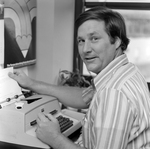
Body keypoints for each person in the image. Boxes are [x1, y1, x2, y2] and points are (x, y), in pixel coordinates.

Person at [8, 6, 150, 149]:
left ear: (117, 41)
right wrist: (31, 83)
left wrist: (55, 138)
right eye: (81, 40)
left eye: (94, 39)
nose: (85, 49)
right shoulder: (126, 71)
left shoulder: (113, 93)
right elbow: (83, 97)